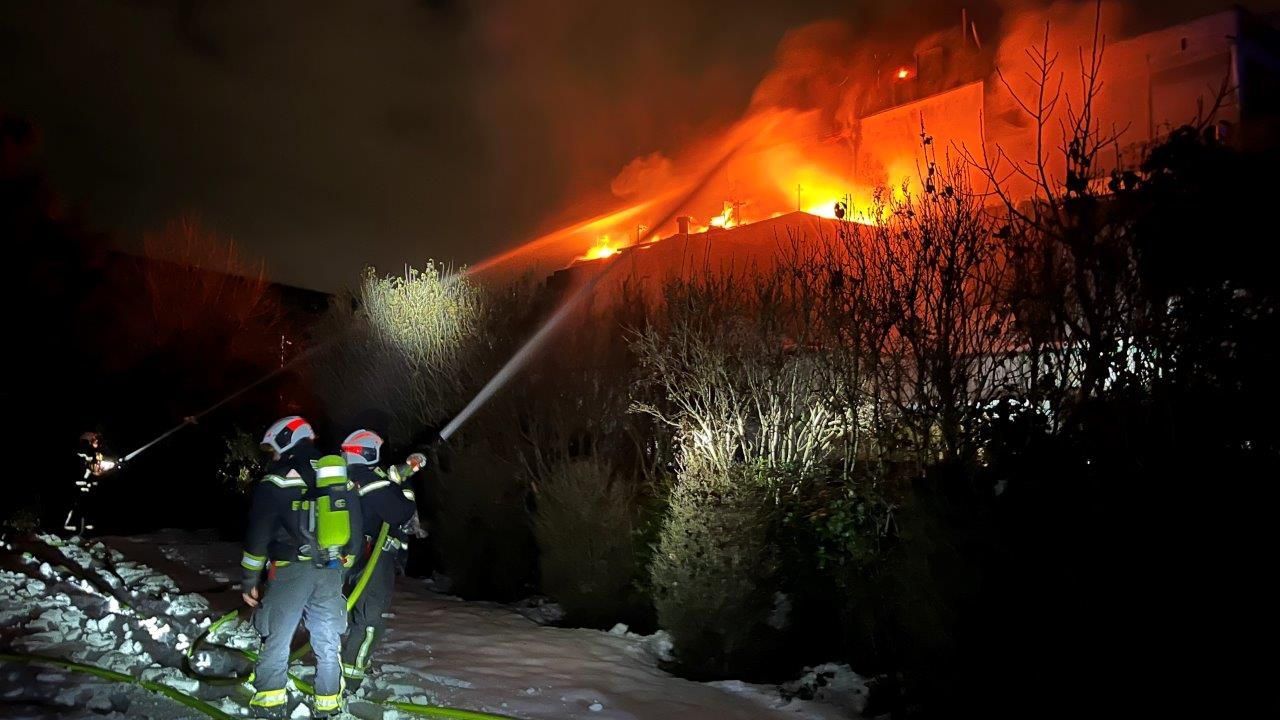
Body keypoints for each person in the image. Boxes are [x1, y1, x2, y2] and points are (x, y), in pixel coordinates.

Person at [240, 416, 361, 719]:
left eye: (273, 449)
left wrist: (249, 579)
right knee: (327, 639)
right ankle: (329, 703)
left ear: (285, 439)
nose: (274, 456)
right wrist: (342, 567)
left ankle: (269, 699)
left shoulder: (277, 478)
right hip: (331, 569)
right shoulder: (337, 475)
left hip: (290, 568)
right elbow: (355, 530)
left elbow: (259, 535)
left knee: (277, 634)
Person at [338, 429, 427, 693]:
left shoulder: (353, 478)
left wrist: (408, 468)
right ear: (368, 453)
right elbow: (400, 510)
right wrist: (408, 487)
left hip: (355, 557)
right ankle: (351, 679)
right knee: (370, 620)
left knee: (358, 616)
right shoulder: (367, 479)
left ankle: (347, 665)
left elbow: (389, 477)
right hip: (372, 559)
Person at [67, 431, 117, 532]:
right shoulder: (80, 454)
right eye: (93, 441)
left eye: (97, 441)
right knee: (75, 506)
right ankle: (71, 527)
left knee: (88, 506)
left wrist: (110, 466)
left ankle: (86, 528)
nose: (95, 444)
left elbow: (99, 469)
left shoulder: (99, 454)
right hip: (78, 486)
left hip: (91, 487)